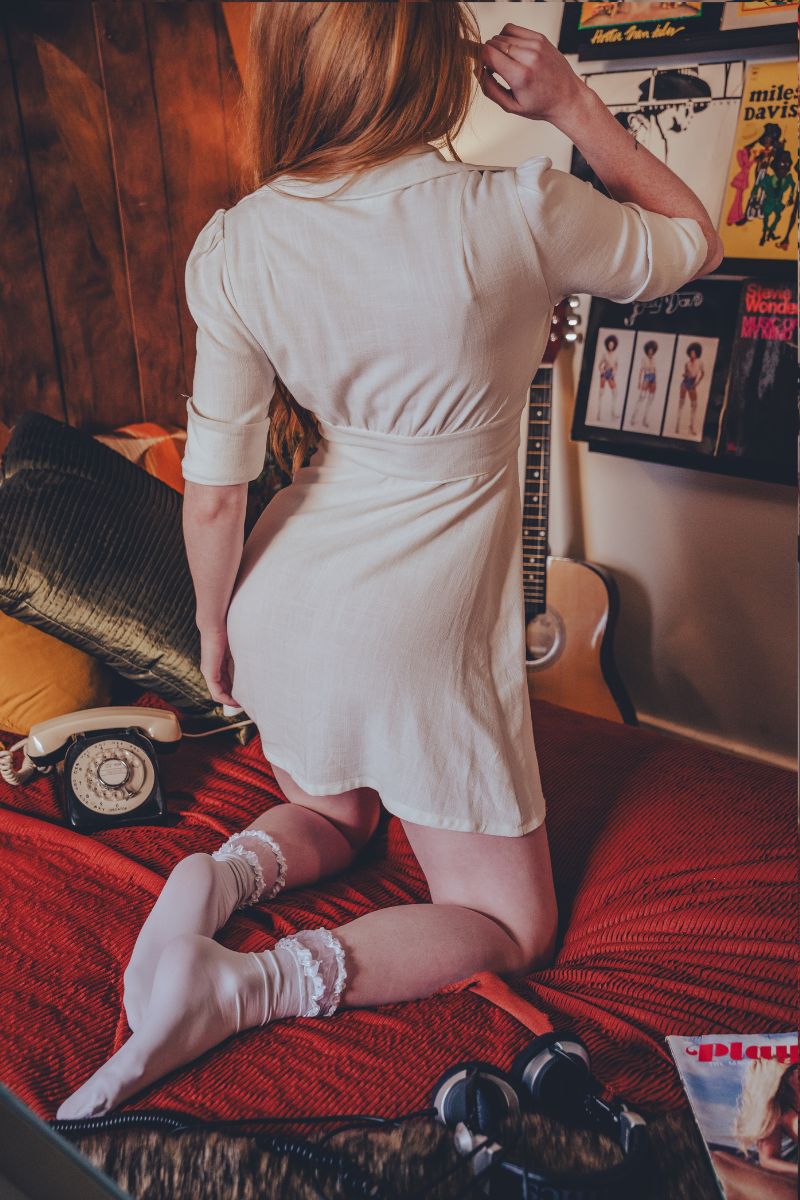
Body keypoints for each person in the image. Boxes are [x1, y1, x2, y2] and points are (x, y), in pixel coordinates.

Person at [56, 6, 722, 1120]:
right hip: (412, 626)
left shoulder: (236, 240)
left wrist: (216, 630)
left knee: (336, 818)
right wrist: (567, 104)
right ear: (434, 65)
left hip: (284, 596)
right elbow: (689, 238)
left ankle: (213, 879)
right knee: (513, 927)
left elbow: (216, 491)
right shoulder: (518, 209)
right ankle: (249, 984)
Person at [675, 342, 705, 437]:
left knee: (694, 405)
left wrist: (697, 383)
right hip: (685, 383)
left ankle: (691, 427)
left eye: (694, 353)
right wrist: (685, 374)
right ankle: (677, 424)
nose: (692, 354)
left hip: (692, 383)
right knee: (681, 403)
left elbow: (702, 374)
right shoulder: (687, 363)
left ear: (697, 353)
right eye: (691, 353)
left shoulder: (700, 362)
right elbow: (686, 373)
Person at [629, 339, 659, 428]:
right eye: (649, 350)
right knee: (641, 398)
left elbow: (655, 370)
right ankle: (633, 418)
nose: (650, 352)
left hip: (653, 378)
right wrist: (639, 382)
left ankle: (645, 420)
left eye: (652, 350)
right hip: (646, 377)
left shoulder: (655, 359)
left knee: (650, 400)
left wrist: (656, 382)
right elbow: (641, 371)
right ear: (647, 350)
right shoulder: (644, 359)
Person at [595, 334, 621, 422]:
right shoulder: (604, 354)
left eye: (612, 345)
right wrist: (601, 370)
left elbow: (616, 365)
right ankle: (598, 413)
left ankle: (613, 412)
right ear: (607, 345)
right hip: (605, 373)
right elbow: (599, 365)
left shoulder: (616, 355)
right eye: (609, 344)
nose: (611, 346)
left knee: (615, 392)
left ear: (614, 345)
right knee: (601, 393)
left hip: (611, 374)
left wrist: (615, 371)